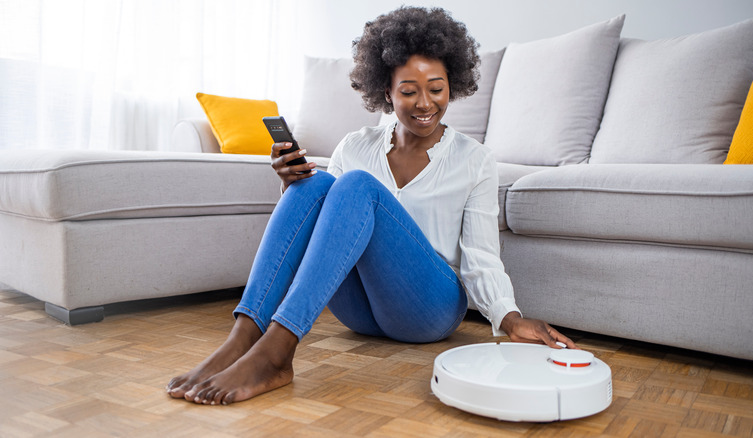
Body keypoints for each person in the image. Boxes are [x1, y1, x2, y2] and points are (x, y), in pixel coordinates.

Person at [166, 6, 576, 406]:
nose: (424, 104)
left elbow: (481, 258)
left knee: (357, 185)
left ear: (453, 85)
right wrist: (288, 186)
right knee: (316, 184)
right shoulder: (355, 145)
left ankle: (275, 354)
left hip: (429, 308)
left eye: (436, 88)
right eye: (409, 91)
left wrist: (509, 317)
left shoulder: (475, 159)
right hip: (360, 313)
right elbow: (324, 232)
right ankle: (241, 339)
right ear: (386, 91)